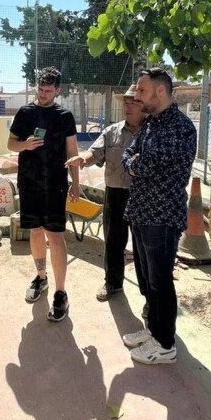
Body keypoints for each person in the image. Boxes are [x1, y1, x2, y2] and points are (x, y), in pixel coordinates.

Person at [120, 67, 197, 364]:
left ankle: (165, 345)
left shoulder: (180, 127)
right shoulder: (151, 124)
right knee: (146, 279)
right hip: (141, 211)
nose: (137, 96)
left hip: (162, 216)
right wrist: (134, 163)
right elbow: (130, 153)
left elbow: (151, 165)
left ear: (160, 91)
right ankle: (153, 329)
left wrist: (136, 164)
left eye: (142, 90)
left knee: (160, 281)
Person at [65, 85, 148, 309]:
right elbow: (95, 152)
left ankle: (149, 295)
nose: (128, 107)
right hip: (116, 193)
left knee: (143, 247)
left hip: (144, 196)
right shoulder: (112, 131)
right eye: (126, 103)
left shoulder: (152, 132)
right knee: (113, 242)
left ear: (143, 105)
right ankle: (112, 283)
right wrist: (82, 160)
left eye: (134, 103)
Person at [8, 67, 80, 322]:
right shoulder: (25, 112)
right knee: (36, 231)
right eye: (40, 89)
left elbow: (72, 152)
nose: (42, 94)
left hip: (55, 184)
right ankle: (41, 278)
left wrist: (76, 183)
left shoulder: (64, 116)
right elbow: (10, 143)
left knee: (56, 235)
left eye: (48, 90)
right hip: (29, 182)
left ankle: (61, 293)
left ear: (58, 90)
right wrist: (25, 145)